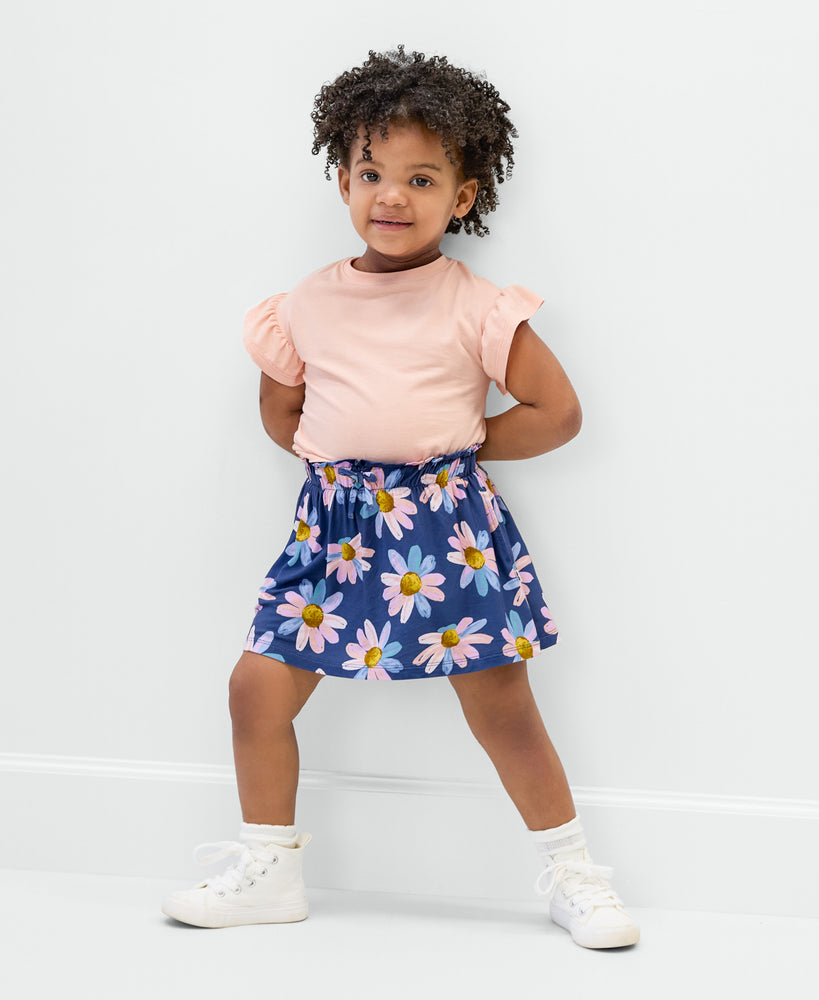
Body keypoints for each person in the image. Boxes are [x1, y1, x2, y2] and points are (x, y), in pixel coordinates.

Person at [161, 45, 639, 950]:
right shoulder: (303, 303)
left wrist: (451, 450)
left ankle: (576, 872)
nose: (391, 195)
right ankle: (269, 867)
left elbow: (558, 411)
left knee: (503, 708)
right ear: (342, 177)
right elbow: (282, 408)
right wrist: (345, 456)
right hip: (334, 533)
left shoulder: (477, 305)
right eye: (371, 172)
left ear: (462, 196)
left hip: (443, 531)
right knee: (256, 691)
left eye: (422, 178)